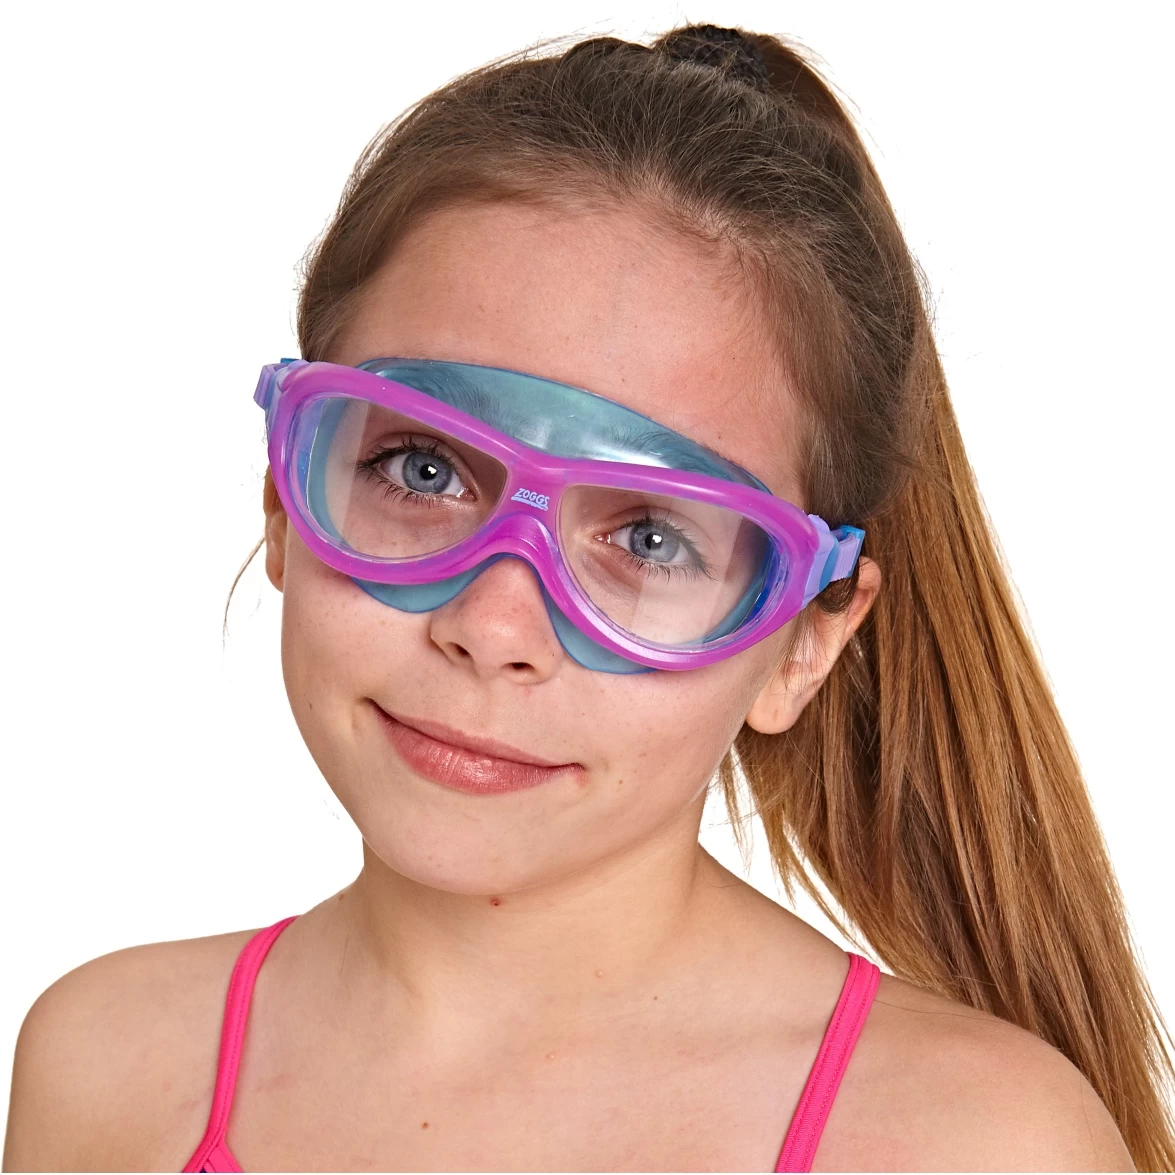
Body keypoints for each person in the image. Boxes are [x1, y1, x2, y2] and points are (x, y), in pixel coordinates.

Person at [4, 22, 1172, 1173]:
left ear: (801, 647)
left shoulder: (974, 1146)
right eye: (422, 469)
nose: (492, 625)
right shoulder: (107, 1066)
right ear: (282, 489)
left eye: (649, 539)